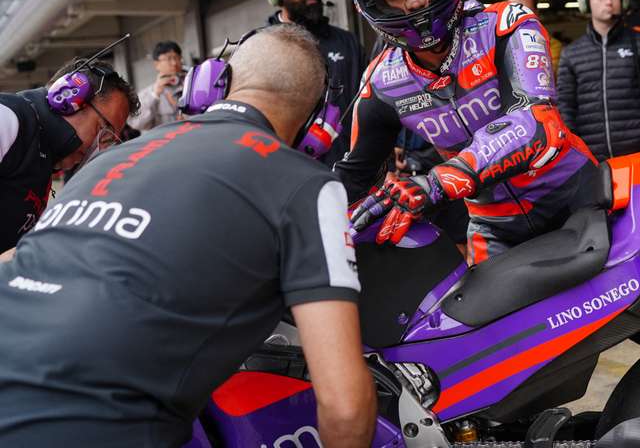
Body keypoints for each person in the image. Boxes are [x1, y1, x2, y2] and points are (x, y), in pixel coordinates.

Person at [0, 25, 376, 447]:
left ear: (213, 85)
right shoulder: (305, 183)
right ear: (319, 124)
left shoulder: (114, 158)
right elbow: (345, 408)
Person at [337, 0, 599, 265]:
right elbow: (354, 176)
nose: (415, 1)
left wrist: (435, 183)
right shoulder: (381, 81)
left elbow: (538, 125)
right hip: (494, 227)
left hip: (575, 196)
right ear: (373, 3)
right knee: (486, 321)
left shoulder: (508, 23)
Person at [0, 58, 138, 253]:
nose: (100, 149)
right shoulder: (6, 118)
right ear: (65, 98)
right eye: (103, 131)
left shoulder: (41, 154)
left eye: (109, 141)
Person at [556, 0, 640, 162]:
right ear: (586, 3)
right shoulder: (571, 54)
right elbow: (565, 108)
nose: (608, 2)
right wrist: (574, 156)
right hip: (591, 162)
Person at [266, 0, 364, 167]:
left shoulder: (346, 42)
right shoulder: (262, 47)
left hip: (353, 172)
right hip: (293, 174)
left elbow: (369, 104)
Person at [504, 0, 564, 77]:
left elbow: (548, 76)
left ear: (537, 13)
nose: (519, 18)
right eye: (513, 12)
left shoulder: (553, 46)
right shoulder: (492, 46)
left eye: (525, 12)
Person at [130, 41, 185, 131]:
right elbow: (137, 124)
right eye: (169, 58)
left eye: (177, 58)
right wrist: (155, 95)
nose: (174, 63)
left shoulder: (190, 87)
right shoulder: (147, 94)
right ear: (156, 64)